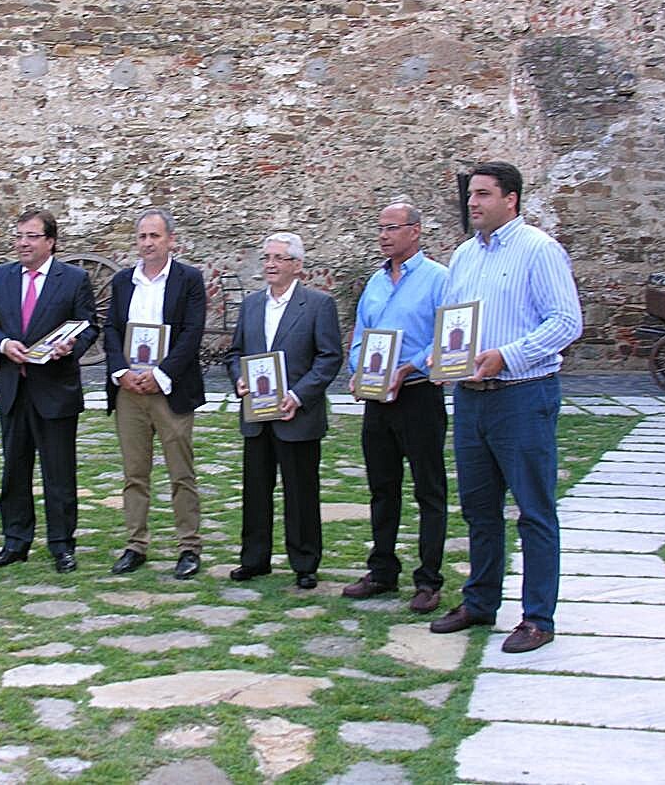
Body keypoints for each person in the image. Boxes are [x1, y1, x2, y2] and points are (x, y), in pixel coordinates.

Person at [429, 161, 583, 653]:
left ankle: (538, 617)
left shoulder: (539, 250)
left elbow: (566, 322)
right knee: (479, 510)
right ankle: (480, 602)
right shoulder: (464, 257)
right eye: (470, 195)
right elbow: (453, 322)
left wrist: (507, 356)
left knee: (534, 510)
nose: (472, 203)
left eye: (483, 194)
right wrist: (442, 357)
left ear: (511, 199)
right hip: (472, 400)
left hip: (523, 395)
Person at [0, 209, 98, 574]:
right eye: (18, 236)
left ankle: (62, 544)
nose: (23, 243)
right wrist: (2, 344)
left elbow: (89, 325)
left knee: (58, 473)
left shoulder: (73, 279)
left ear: (50, 241)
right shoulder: (1, 277)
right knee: (14, 470)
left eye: (31, 236)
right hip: (14, 387)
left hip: (55, 389)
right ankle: (15, 540)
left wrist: (71, 347)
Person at [342, 202, 449, 613]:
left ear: (415, 231)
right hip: (377, 399)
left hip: (419, 394)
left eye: (392, 228)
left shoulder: (438, 279)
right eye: (380, 228)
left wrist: (410, 367)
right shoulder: (375, 282)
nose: (384, 235)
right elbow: (361, 335)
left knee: (429, 489)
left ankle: (428, 579)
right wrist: (357, 371)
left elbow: (446, 335)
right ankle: (382, 570)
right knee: (382, 488)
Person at [226, 232, 342, 589]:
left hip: (297, 415)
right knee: (255, 491)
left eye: (278, 258)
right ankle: (254, 559)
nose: (271, 265)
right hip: (258, 416)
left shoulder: (318, 305)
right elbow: (235, 353)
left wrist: (299, 395)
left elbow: (329, 357)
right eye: (266, 258)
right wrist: (239, 381)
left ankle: (305, 562)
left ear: (297, 265)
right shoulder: (252, 305)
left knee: (301, 492)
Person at [104, 209, 207, 579]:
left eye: (155, 236)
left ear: (171, 240)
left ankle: (189, 546)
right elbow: (112, 330)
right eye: (143, 236)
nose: (148, 243)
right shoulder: (122, 281)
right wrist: (121, 373)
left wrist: (160, 374)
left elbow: (192, 334)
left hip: (170, 389)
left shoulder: (189, 280)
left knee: (181, 473)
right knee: (134, 473)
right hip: (129, 390)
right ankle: (135, 544)